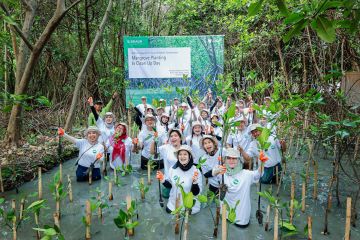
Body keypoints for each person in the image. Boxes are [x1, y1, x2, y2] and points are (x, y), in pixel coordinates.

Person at [212, 148, 265, 228]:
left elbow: (258, 174)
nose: (231, 160)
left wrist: (262, 162)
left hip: (241, 216)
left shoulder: (246, 174)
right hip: (225, 212)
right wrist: (217, 170)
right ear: (225, 160)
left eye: (234, 158)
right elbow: (213, 173)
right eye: (229, 158)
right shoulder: (222, 172)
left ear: (239, 160)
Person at [156, 145, 202, 214]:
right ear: (177, 157)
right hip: (173, 203)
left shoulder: (196, 170)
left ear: (190, 156)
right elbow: (170, 186)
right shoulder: (173, 168)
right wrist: (162, 180)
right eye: (180, 154)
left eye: (185, 154)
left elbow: (196, 193)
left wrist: (194, 182)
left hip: (189, 205)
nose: (182, 157)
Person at [153, 128, 183, 198]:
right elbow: (153, 151)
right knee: (167, 197)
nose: (173, 138)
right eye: (171, 136)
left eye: (175, 135)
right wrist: (154, 139)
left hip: (182, 180)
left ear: (180, 138)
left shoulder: (185, 148)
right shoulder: (166, 148)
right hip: (168, 180)